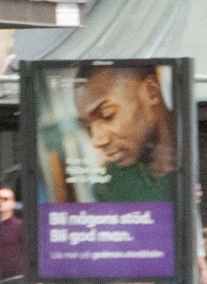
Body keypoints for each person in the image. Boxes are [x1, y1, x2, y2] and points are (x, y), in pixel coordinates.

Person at [73, 65, 180, 202]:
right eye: (87, 127)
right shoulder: (110, 187)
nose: (97, 141)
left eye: (107, 115)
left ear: (151, 92)